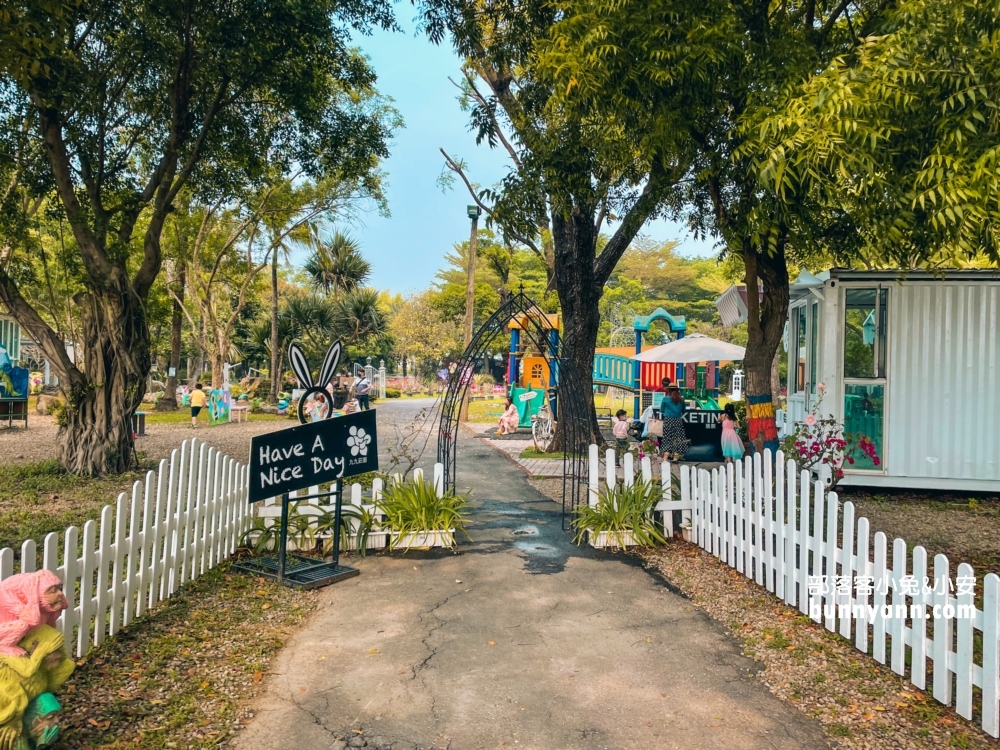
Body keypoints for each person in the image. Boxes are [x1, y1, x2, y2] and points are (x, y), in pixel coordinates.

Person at [659, 387, 690, 461]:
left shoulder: (665, 398)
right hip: (678, 420)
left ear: (669, 390)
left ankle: (665, 457)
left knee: (667, 438)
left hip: (668, 420)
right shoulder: (681, 399)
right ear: (677, 390)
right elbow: (684, 410)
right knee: (678, 438)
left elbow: (662, 410)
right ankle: (675, 458)